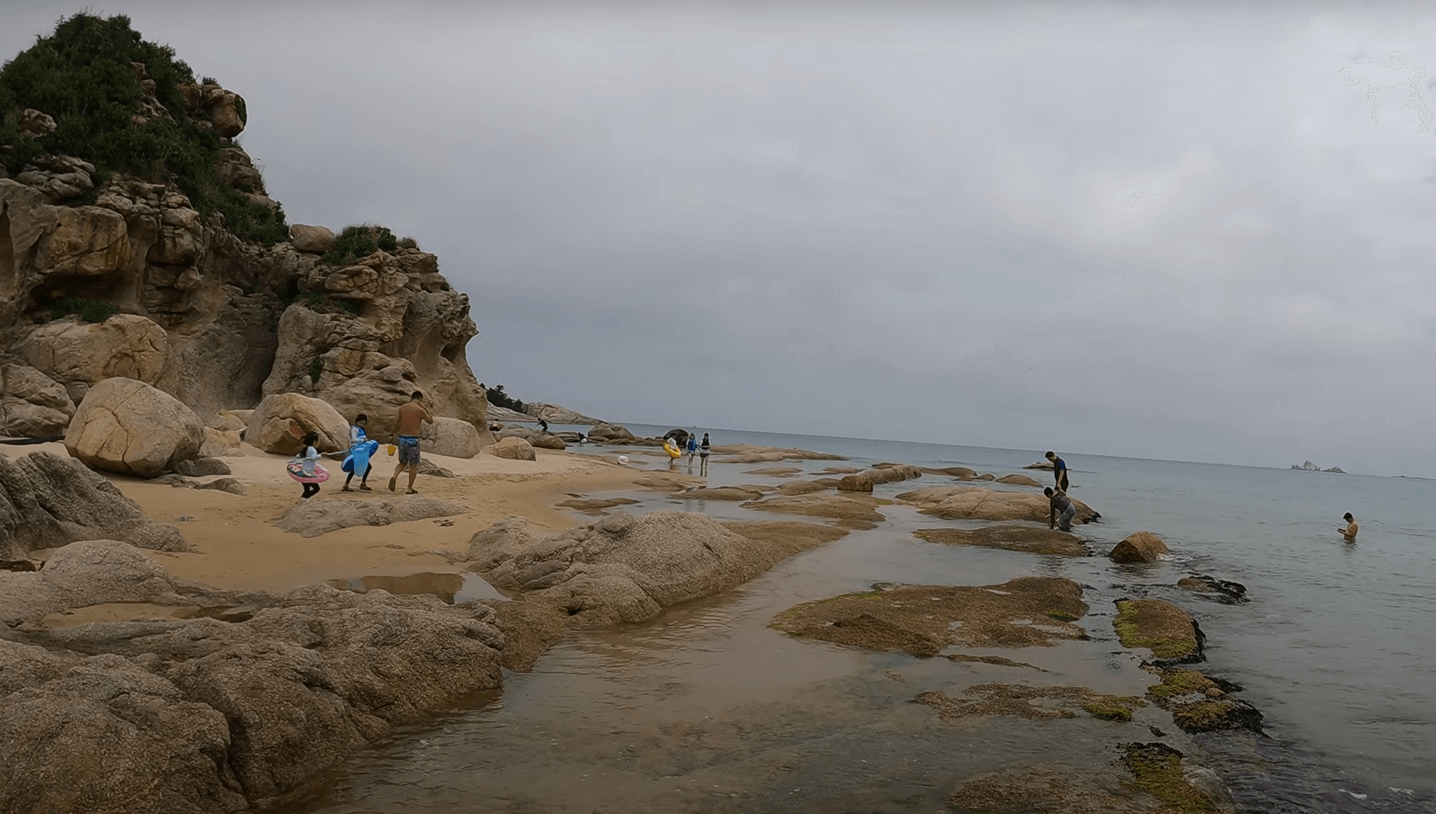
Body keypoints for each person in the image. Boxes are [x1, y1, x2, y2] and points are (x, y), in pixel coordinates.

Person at [389, 391, 433, 494]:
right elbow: (430, 421)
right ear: (420, 399)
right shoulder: (420, 410)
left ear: (411, 398)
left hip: (402, 439)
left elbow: (395, 422)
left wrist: (391, 434)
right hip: (413, 440)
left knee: (402, 462)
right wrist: (425, 409)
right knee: (413, 465)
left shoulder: (402, 408)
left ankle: (394, 476)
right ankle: (409, 488)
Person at [342, 414, 373, 492]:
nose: (362, 424)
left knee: (364, 467)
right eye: (360, 422)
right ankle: (359, 484)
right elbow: (353, 439)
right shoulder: (355, 429)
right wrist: (363, 441)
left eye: (363, 422)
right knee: (361, 467)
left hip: (361, 450)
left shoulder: (362, 429)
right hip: (356, 450)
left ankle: (348, 485)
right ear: (357, 422)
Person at [295, 432, 322, 500]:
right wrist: (321, 455)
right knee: (316, 488)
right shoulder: (312, 449)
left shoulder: (305, 449)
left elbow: (298, 456)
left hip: (303, 472)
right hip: (308, 473)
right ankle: (303, 499)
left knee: (306, 489)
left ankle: (302, 500)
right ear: (314, 442)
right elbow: (313, 458)